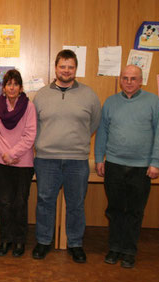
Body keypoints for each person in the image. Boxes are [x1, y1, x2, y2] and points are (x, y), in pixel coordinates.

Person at [94, 65, 159, 268]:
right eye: (125, 78)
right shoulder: (110, 103)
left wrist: (156, 162)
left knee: (134, 211)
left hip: (141, 167)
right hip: (114, 165)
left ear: (141, 80)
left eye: (133, 78)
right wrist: (99, 158)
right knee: (115, 209)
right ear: (120, 80)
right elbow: (102, 133)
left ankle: (129, 250)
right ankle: (115, 247)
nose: (129, 82)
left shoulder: (153, 102)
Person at [32, 49, 101, 263]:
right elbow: (33, 125)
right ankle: (43, 241)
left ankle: (75, 244)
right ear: (55, 68)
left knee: (76, 203)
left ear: (75, 69)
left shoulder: (89, 95)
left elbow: (94, 123)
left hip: (77, 160)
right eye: (63, 66)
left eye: (71, 67)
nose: (66, 70)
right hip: (46, 159)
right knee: (45, 202)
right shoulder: (41, 94)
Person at [0, 69, 36, 258]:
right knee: (4, 202)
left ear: (21, 87)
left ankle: (19, 240)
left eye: (15, 84)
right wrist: (5, 155)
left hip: (23, 162)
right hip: (0, 161)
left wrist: (13, 153)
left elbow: (30, 134)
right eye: (8, 84)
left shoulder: (29, 107)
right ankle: (5, 239)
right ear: (3, 88)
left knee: (19, 202)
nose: (12, 87)